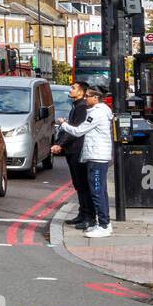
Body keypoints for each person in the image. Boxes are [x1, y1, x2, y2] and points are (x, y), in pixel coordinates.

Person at [56, 85, 114, 237]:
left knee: (97, 192)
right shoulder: (100, 111)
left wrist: (63, 124)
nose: (86, 98)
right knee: (100, 191)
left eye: (88, 96)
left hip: (97, 156)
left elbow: (78, 131)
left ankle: (103, 225)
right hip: (97, 155)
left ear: (96, 98)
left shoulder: (96, 113)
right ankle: (104, 223)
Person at [52, 81, 94, 230]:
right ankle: (82, 214)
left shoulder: (82, 108)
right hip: (73, 150)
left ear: (81, 92)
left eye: (74, 88)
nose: (71, 90)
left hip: (78, 150)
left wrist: (60, 145)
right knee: (78, 185)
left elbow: (75, 131)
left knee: (83, 184)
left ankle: (89, 217)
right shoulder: (77, 106)